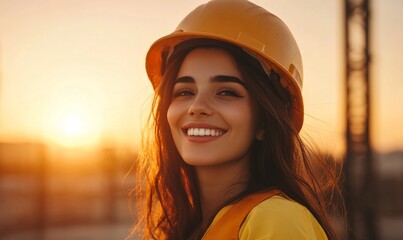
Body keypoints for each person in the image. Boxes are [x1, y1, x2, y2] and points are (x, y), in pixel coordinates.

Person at [134, 0, 342, 239]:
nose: (197, 107)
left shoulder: (276, 220)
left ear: (265, 121)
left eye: (226, 92)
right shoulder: (190, 227)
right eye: (184, 92)